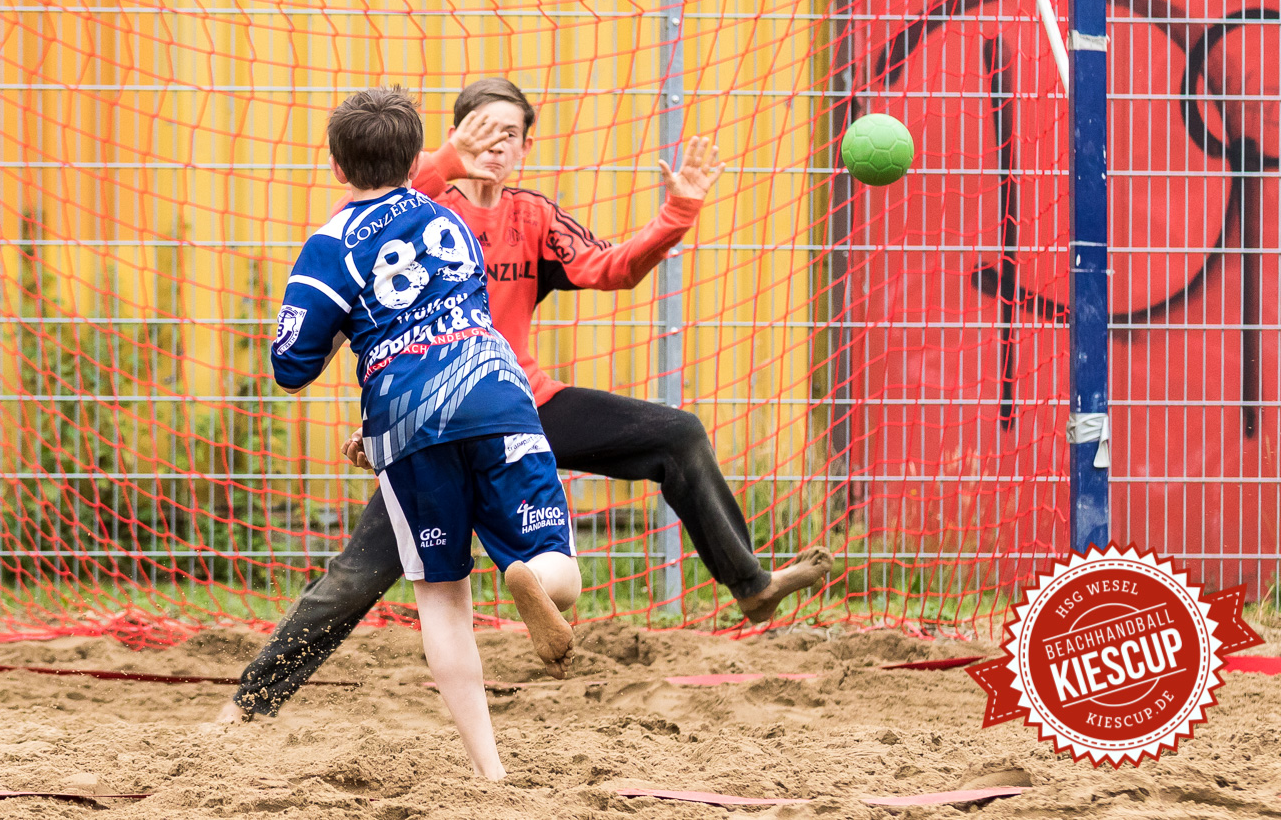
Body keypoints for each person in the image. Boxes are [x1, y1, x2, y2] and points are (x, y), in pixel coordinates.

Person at [219, 77, 831, 723]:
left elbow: (613, 267)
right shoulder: (420, 205)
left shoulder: (533, 217)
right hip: (435, 420)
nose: (496, 143)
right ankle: (249, 705)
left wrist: (676, 212)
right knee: (355, 576)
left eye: (509, 133)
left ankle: (752, 586)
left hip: (522, 400)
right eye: (482, 129)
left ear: (526, 147)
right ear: (453, 138)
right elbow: (377, 212)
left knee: (677, 435)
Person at [267, 84, 580, 779]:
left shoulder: (328, 246)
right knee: (558, 559)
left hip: (410, 423)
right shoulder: (452, 224)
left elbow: (291, 365)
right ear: (416, 160)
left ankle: (490, 769)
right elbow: (439, 326)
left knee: (442, 598)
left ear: (335, 167)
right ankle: (532, 574)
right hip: (498, 393)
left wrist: (339, 356)